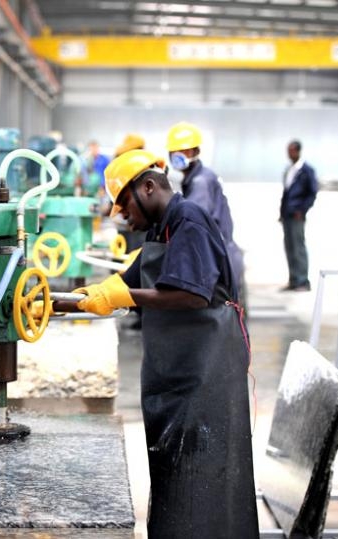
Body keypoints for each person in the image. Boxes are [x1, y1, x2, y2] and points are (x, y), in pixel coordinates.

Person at [65, 149, 259, 538]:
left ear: (148, 187)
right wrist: (66, 302)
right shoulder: (161, 228)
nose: (125, 219)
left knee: (205, 472)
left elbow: (192, 296)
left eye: (125, 208)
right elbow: (128, 279)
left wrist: (125, 298)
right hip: (182, 371)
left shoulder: (190, 221)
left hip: (207, 372)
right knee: (177, 472)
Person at [166, 121, 246, 305]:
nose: (178, 155)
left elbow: (192, 221)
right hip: (224, 256)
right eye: (175, 152)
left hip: (221, 261)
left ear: (196, 152)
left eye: (185, 151)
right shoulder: (195, 178)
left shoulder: (201, 182)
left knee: (227, 322)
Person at [280, 139, 318, 292]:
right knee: (289, 247)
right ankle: (294, 279)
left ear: (297, 151)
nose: (289, 154)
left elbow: (312, 192)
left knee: (298, 247)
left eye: (291, 150)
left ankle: (303, 280)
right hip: (287, 215)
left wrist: (302, 210)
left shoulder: (306, 170)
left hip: (297, 215)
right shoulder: (290, 170)